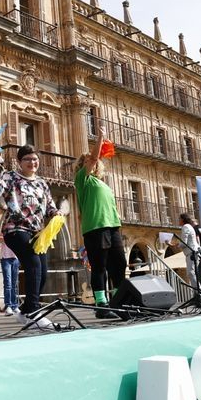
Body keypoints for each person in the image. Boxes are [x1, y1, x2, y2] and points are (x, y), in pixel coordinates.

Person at [0, 145, 59, 328]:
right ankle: (34, 312)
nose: (32, 162)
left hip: (37, 233)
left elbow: (50, 206)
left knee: (42, 272)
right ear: (20, 162)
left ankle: (26, 309)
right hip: (15, 228)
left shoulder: (42, 183)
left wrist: (57, 214)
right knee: (33, 263)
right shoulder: (11, 177)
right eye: (27, 159)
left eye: (35, 159)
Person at [74, 126, 126, 319]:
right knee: (100, 267)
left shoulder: (102, 183)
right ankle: (101, 305)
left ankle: (120, 300)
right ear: (83, 164)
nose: (93, 162)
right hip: (95, 228)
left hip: (112, 227)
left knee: (119, 265)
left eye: (93, 160)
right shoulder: (82, 180)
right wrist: (101, 137)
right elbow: (95, 157)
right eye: (88, 160)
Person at [0, 236, 20, 315]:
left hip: (15, 258)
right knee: (8, 282)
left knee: (14, 284)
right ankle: (8, 305)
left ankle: (14, 305)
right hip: (5, 258)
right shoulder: (5, 229)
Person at [179, 213, 201, 289]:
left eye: (179, 219)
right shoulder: (190, 226)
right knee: (193, 273)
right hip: (194, 252)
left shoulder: (185, 227)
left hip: (191, 252)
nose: (179, 220)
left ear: (182, 219)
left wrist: (174, 245)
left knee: (191, 273)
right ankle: (199, 291)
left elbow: (183, 243)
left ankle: (199, 293)